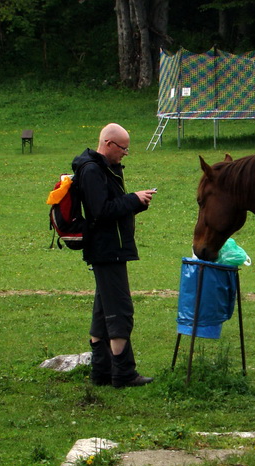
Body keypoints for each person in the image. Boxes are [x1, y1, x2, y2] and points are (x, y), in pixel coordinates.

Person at [72, 123, 155, 387]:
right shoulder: (93, 171)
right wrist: (132, 199)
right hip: (107, 250)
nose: (125, 154)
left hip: (109, 248)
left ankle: (101, 371)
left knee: (102, 311)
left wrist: (137, 203)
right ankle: (123, 373)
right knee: (120, 310)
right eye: (123, 149)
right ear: (108, 144)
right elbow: (101, 211)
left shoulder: (101, 168)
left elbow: (110, 209)